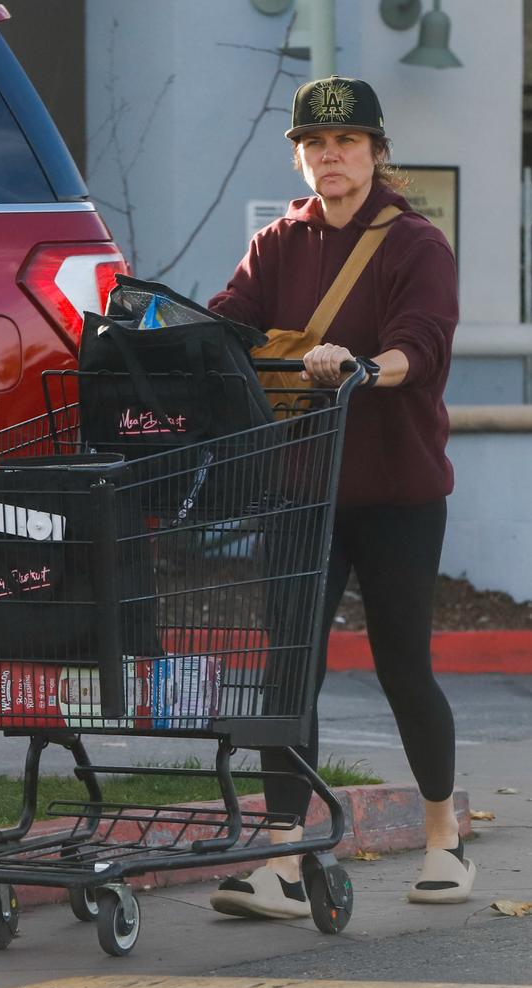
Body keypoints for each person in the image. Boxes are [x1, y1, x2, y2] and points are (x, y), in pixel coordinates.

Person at [207, 75, 475, 919]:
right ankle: (284, 859)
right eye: (316, 144)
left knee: (403, 664)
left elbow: (422, 346)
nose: (331, 157)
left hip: (395, 490)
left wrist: (362, 365)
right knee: (289, 667)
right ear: (301, 154)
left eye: (347, 143)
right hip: (300, 486)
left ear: (376, 152)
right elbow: (232, 322)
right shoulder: (277, 242)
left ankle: (444, 837)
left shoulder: (415, 244)